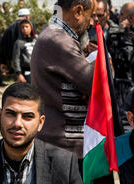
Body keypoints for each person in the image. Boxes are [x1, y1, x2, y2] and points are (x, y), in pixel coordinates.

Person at [30, 0, 96, 160]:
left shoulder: (54, 34)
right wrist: (104, 60)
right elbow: (94, 83)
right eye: (91, 15)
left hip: (60, 143)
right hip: (63, 146)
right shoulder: (59, 40)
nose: (92, 22)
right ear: (78, 11)